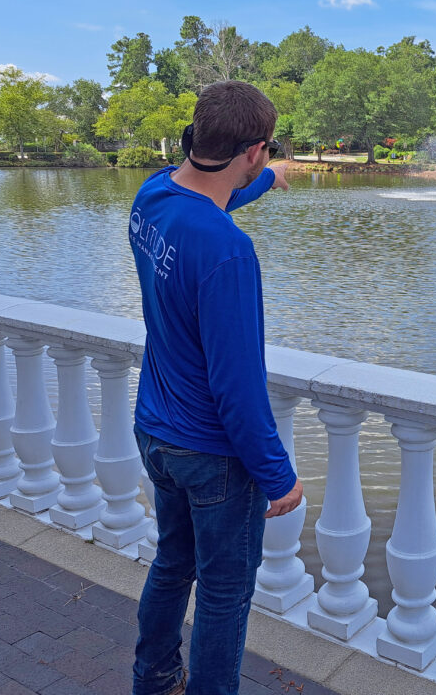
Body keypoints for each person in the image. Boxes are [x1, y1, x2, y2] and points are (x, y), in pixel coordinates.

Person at [128, 80, 303, 695]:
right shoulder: (229, 251)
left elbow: (210, 195)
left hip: (155, 431)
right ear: (254, 147)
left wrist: (268, 178)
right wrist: (277, 475)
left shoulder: (152, 196)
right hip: (213, 457)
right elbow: (238, 386)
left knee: (173, 566)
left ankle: (151, 680)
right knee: (225, 597)